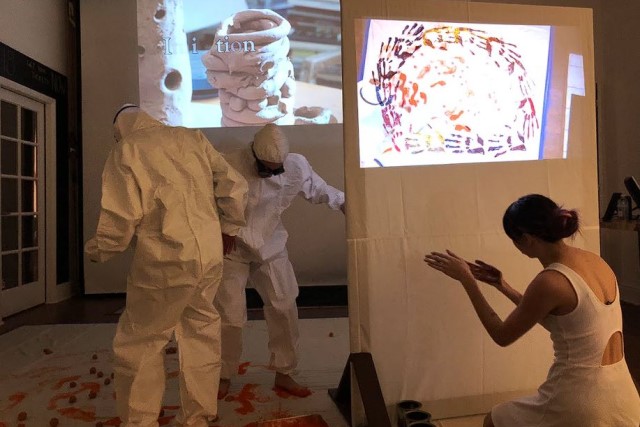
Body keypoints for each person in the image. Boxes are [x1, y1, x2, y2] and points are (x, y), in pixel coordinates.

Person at [85, 105, 248, 427]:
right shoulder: (191, 138)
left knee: (142, 339)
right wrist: (230, 228)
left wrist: (100, 249)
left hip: (165, 257)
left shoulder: (128, 149)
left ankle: (139, 420)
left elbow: (121, 213)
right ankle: (199, 417)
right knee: (201, 332)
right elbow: (234, 184)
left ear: (119, 129)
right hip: (208, 253)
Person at [424, 194, 640, 427]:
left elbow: (502, 335)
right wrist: (501, 285)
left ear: (526, 239)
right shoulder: (595, 262)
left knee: (494, 420)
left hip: (581, 401)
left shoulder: (550, 280)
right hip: (624, 396)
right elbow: (564, 320)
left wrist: (467, 281)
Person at [215, 123, 345, 399]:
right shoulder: (227, 163)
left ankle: (284, 373)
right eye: (266, 169)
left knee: (284, 306)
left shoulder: (295, 166)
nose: (272, 174)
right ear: (253, 155)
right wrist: (223, 230)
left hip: (271, 246)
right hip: (233, 249)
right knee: (230, 316)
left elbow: (319, 189)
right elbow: (206, 202)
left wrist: (346, 203)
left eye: (277, 169)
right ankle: (223, 375)